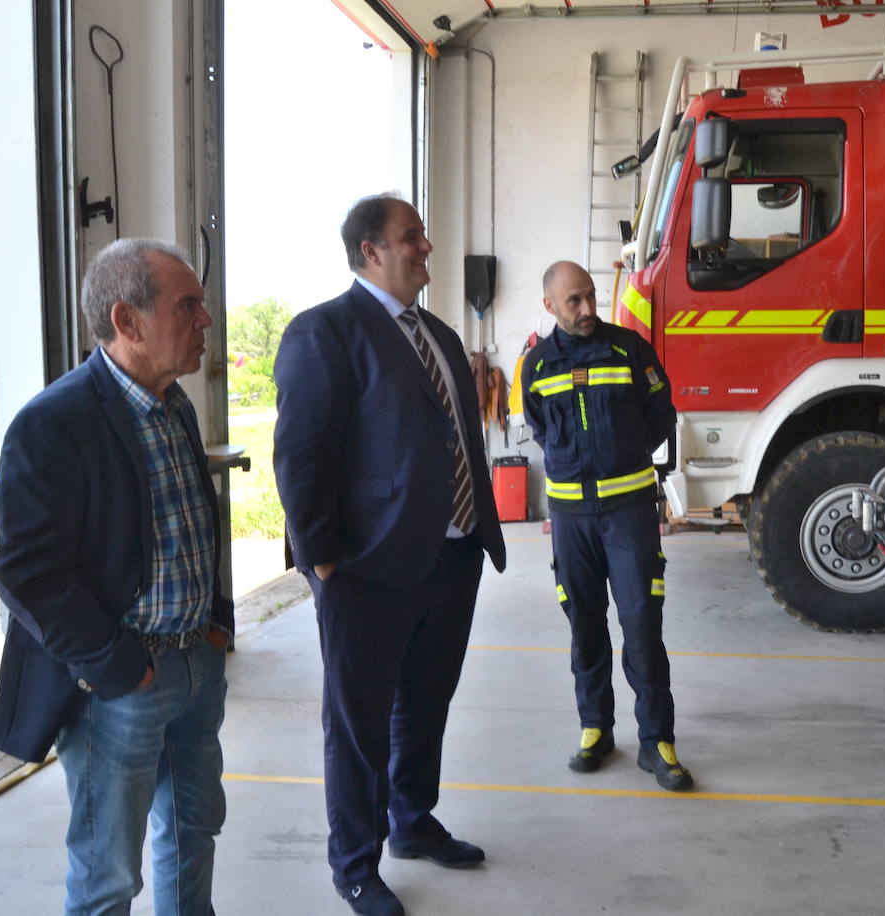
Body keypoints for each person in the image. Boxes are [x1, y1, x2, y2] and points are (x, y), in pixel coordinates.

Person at [273, 194, 506, 916]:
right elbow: (302, 455)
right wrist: (321, 560)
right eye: (412, 238)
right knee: (359, 723)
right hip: (367, 569)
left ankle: (411, 820)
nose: (427, 247)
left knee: (425, 705)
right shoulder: (324, 333)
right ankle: (355, 864)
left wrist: (474, 533)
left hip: (454, 555)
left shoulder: (434, 331)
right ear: (371, 251)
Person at [0, 238, 232, 914]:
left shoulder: (175, 405)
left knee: (193, 831)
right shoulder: (54, 423)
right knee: (108, 874)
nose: (205, 321)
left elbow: (192, 526)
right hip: (120, 685)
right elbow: (28, 573)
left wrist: (216, 623)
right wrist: (115, 663)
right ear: (127, 321)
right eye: (189, 307)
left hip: (194, 665)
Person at [521, 261, 692, 792]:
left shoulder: (629, 350)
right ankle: (595, 728)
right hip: (571, 517)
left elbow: (662, 414)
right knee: (585, 625)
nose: (587, 309)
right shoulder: (536, 366)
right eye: (573, 301)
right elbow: (539, 426)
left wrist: (623, 455)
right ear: (549, 305)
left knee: (642, 623)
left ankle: (656, 741)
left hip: (628, 513)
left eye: (591, 297)